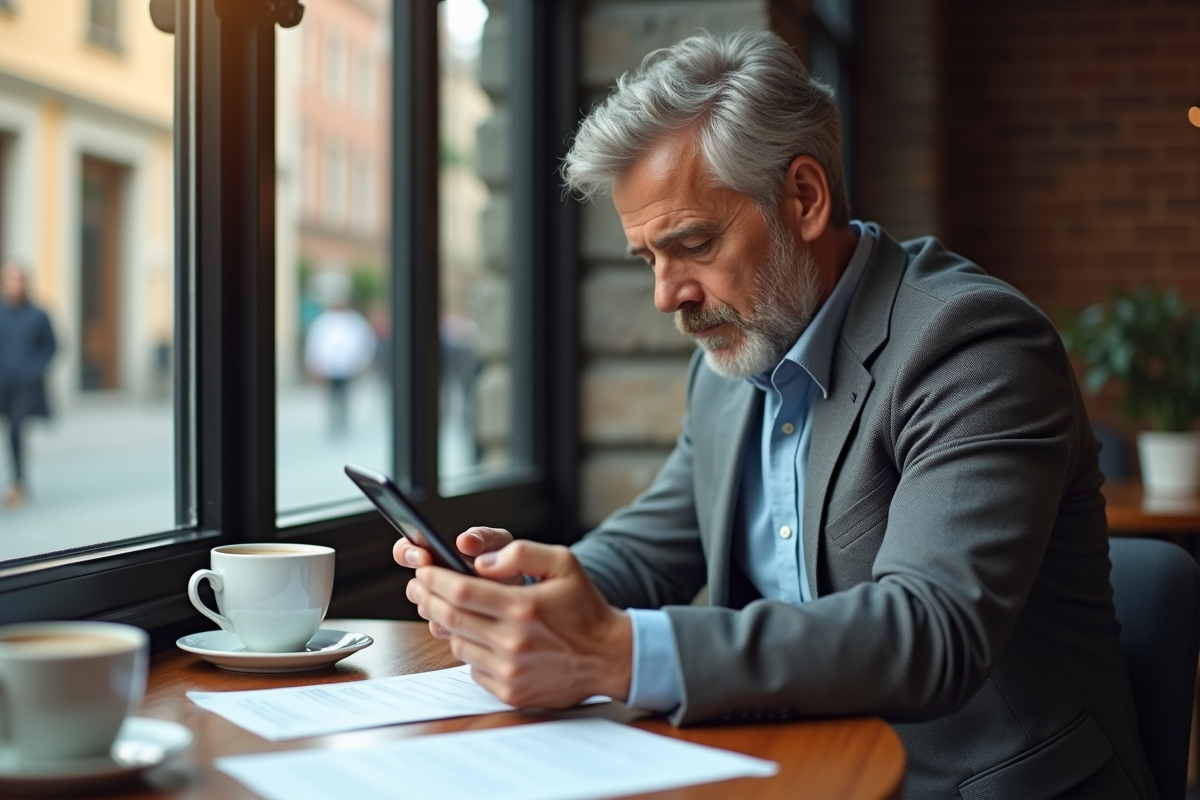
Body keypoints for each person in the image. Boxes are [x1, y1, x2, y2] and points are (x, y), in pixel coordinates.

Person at [397, 30, 1155, 799]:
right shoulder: (736, 353)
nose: (669, 296)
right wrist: (520, 592)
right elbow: (654, 547)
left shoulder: (973, 344)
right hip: (791, 771)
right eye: (649, 259)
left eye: (692, 244)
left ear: (804, 197)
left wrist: (617, 652)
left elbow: (933, 631)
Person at [0, 261, 57, 511]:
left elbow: (53, 346)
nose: (12, 284)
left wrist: (35, 371)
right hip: (1, 384)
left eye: (16, 279)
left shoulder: (38, 314)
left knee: (15, 431)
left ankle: (18, 482)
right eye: (8, 279)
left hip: (24, 387)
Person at [304, 295, 376, 436]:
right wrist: (314, 363)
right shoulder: (324, 321)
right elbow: (314, 343)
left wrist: (362, 361)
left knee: (345, 395)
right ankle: (334, 421)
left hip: (348, 366)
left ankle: (343, 420)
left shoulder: (355, 321)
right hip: (329, 367)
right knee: (331, 395)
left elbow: (366, 342)